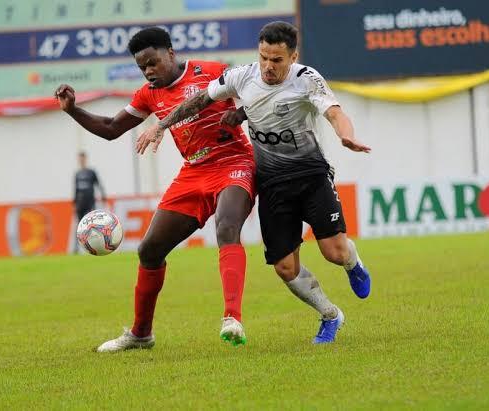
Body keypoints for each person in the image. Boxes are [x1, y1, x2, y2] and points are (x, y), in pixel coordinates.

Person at [138, 21, 372, 345]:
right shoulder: (243, 75)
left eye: (276, 60)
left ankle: (353, 262)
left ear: (293, 57)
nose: (268, 66)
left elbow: (334, 112)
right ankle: (330, 315)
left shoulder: (307, 79)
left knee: (334, 252)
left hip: (311, 176)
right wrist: (161, 124)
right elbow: (200, 101)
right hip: (272, 182)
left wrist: (346, 135)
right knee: (285, 268)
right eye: (263, 57)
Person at [55, 27, 256, 352]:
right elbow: (110, 129)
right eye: (142, 67)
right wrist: (73, 110)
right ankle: (140, 334)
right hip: (194, 173)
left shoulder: (212, 71)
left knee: (227, 226)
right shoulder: (149, 94)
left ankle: (232, 317)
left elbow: (260, 93)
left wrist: (242, 113)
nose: (148, 71)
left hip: (234, 161)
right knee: (149, 250)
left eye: (152, 62)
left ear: (171, 54)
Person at [73, 151, 106, 252]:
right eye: (80, 158)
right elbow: (75, 189)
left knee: (93, 224)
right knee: (79, 225)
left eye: (83, 158)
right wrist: (74, 202)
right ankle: (77, 248)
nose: (81, 160)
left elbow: (98, 184)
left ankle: (95, 245)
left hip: (90, 201)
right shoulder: (77, 174)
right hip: (80, 202)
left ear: (85, 159)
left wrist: (103, 195)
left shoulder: (91, 172)